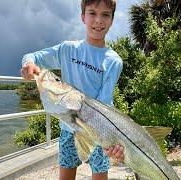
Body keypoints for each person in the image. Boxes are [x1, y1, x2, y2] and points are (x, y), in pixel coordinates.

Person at [20, 0, 124, 179]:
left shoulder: (114, 60)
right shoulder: (67, 49)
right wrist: (28, 64)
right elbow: (33, 56)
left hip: (98, 132)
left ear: (112, 20)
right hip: (68, 129)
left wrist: (111, 139)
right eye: (92, 13)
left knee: (100, 175)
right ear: (83, 16)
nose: (98, 20)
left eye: (105, 15)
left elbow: (104, 103)